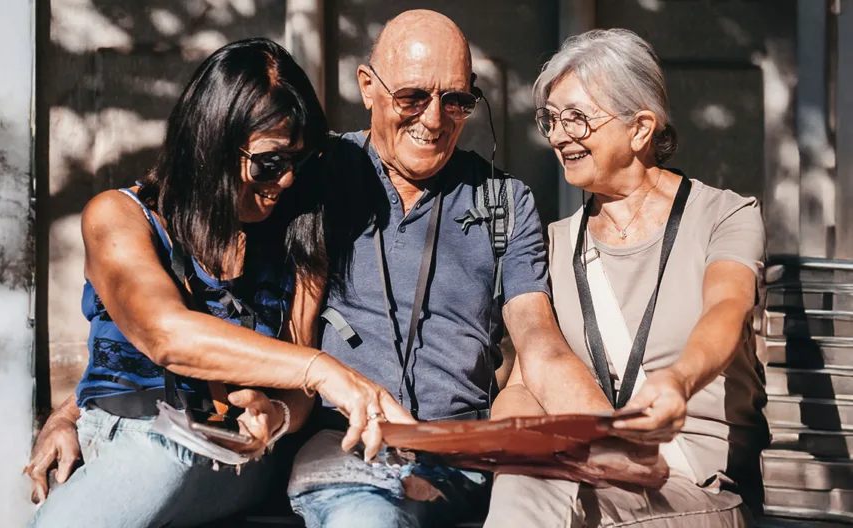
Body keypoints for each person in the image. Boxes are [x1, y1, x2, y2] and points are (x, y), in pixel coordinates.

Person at [27, 37, 411, 528]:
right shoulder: (121, 218)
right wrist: (322, 369)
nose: (288, 180)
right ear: (210, 144)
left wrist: (277, 415)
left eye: (302, 160)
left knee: (166, 460)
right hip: (135, 440)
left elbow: (295, 384)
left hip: (230, 456)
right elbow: (165, 335)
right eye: (270, 162)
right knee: (154, 457)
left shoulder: (296, 237)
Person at [284, 10, 616, 528]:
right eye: (413, 98)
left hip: (458, 462)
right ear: (367, 87)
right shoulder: (316, 177)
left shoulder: (506, 201)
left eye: (456, 100)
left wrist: (615, 443)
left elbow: (540, 344)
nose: (435, 121)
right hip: (342, 444)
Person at [484, 28, 768, 527]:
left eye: (576, 118)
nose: (557, 136)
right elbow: (527, 376)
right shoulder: (550, 245)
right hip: (589, 467)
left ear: (640, 129)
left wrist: (679, 380)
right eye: (550, 120)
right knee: (525, 479)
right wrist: (511, 426)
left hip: (693, 481)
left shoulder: (723, 215)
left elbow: (727, 308)